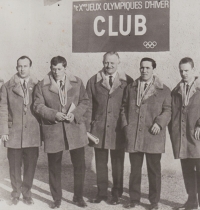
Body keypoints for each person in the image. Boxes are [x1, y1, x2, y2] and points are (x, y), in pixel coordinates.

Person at [33, 56, 89, 208]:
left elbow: (85, 101)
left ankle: (78, 197)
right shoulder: (42, 85)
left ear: (65, 68)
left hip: (75, 128)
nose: (56, 72)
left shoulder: (77, 82)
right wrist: (53, 114)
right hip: (54, 130)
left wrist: (75, 114)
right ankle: (56, 199)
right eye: (53, 68)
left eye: (59, 69)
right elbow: (37, 105)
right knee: (54, 166)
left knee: (79, 165)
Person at [121, 57, 171, 210]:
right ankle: (134, 199)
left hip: (153, 136)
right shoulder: (131, 88)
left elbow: (168, 110)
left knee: (154, 170)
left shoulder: (164, 90)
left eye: (148, 68)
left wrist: (159, 123)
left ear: (153, 69)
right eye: (142, 67)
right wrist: (126, 126)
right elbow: (123, 107)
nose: (144, 70)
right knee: (135, 170)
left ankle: (154, 202)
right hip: (134, 135)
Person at [86, 51, 133, 205]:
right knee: (100, 162)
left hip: (118, 129)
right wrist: (88, 129)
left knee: (117, 163)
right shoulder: (93, 81)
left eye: (112, 62)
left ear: (118, 63)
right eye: (107, 62)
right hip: (98, 129)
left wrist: (126, 127)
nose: (109, 65)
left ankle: (117, 193)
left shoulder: (128, 81)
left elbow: (129, 107)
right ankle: (101, 193)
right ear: (102, 62)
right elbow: (88, 107)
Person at [0, 56, 41, 205]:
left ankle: (27, 193)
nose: (22, 69)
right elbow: (3, 109)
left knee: (30, 165)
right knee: (14, 166)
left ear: (30, 67)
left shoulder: (38, 85)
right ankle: (15, 194)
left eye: (25, 66)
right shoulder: (7, 87)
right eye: (19, 66)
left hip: (32, 133)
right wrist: (4, 131)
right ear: (16, 67)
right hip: (14, 133)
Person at [170, 57, 200, 210]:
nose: (184, 74)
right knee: (187, 169)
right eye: (181, 71)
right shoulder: (176, 90)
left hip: (196, 136)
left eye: (187, 71)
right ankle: (191, 201)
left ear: (193, 70)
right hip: (182, 137)